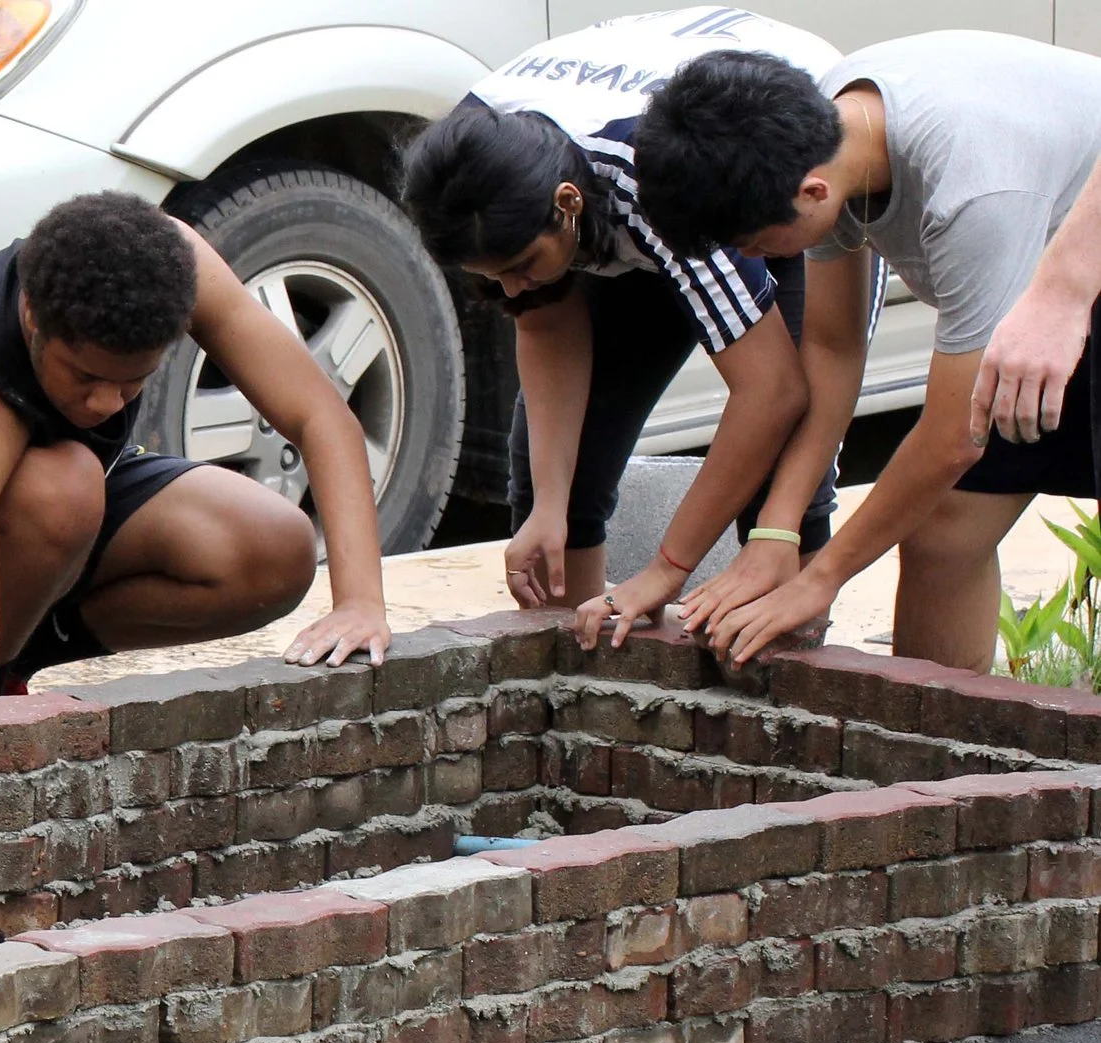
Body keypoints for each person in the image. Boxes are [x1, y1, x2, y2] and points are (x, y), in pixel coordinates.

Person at [0, 191, 392, 709]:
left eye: (132, 382)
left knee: (273, 551)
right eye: (84, 377)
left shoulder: (171, 263)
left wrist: (360, 603)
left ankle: (26, 646)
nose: (105, 404)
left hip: (52, 488)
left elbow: (319, 416)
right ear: (34, 317)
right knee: (62, 486)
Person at [632, 34, 1101, 669]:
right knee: (942, 532)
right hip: (1037, 292)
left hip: (1072, 273)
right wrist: (778, 528)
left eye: (753, 242)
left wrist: (817, 580)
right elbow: (832, 345)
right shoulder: (834, 127)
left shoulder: (973, 192)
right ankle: (942, 753)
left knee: (944, 488)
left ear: (813, 194)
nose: (754, 259)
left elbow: (953, 435)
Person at [397, 8, 861, 650]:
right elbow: (544, 317)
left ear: (567, 205)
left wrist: (666, 569)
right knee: (554, 482)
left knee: (782, 493)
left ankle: (788, 693)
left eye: (521, 265)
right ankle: (582, 673)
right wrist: (550, 507)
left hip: (760, 173)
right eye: (493, 276)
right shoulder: (477, 166)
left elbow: (772, 392)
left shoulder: (660, 186)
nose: (511, 289)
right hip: (619, 193)